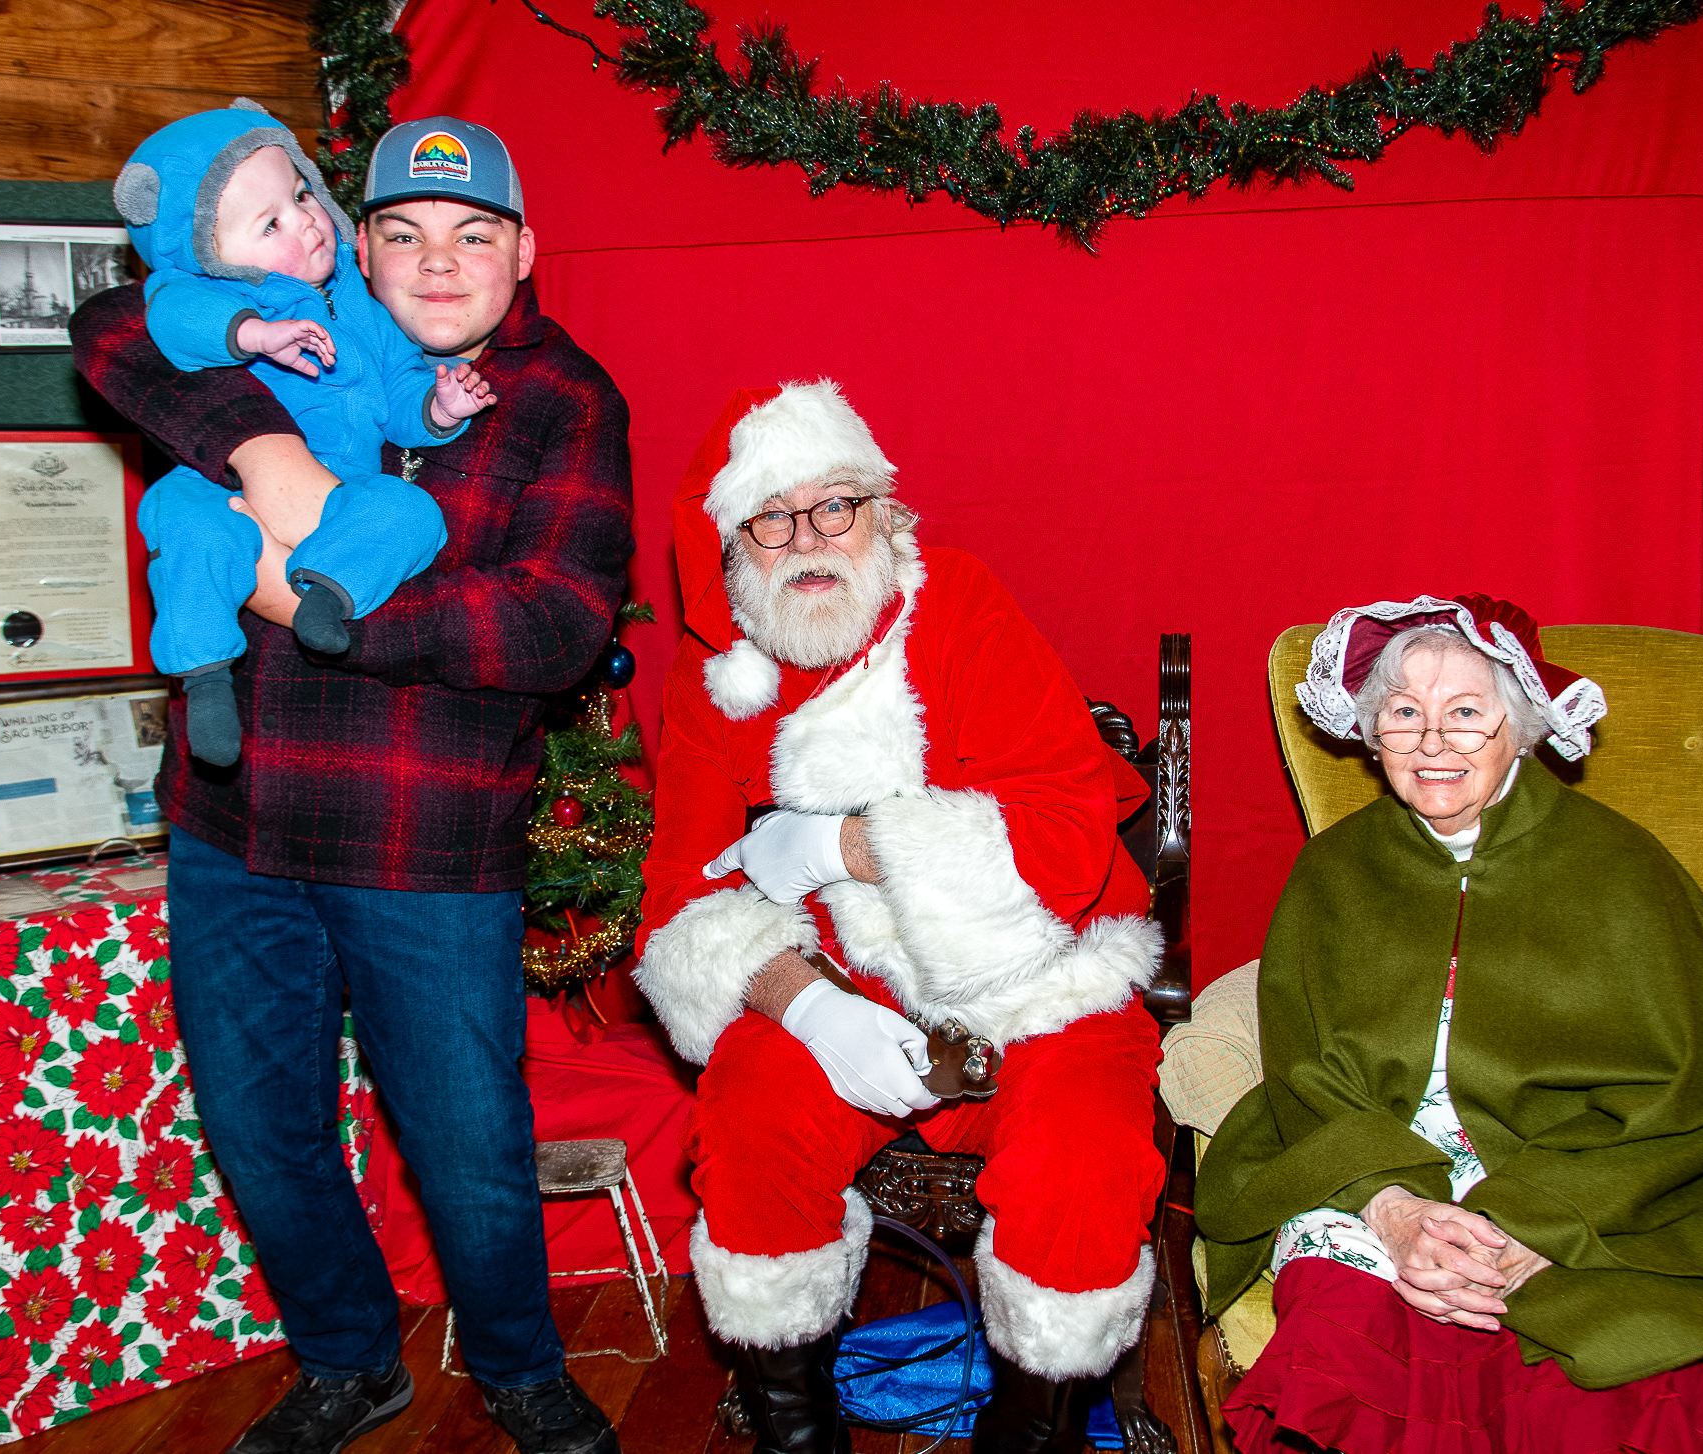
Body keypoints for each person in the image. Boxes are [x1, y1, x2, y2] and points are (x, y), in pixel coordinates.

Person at [70, 114, 633, 1454]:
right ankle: (348, 1358)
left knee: (468, 1149)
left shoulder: (567, 399)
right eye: (403, 234)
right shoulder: (283, 316)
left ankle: (517, 1369)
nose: (438, 266)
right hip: (234, 824)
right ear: (352, 240)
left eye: (472, 235)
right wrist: (269, 452)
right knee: (262, 1131)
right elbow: (106, 325)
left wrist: (304, 601)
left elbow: (553, 623)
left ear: (522, 251)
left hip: (424, 841)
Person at [635, 380, 1167, 1453]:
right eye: (771, 517)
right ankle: (796, 1428)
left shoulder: (960, 602)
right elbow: (678, 901)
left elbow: (1065, 835)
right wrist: (808, 1007)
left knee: (1086, 1157)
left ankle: (1030, 1432)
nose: (808, 539)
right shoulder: (719, 683)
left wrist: (844, 844)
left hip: (1044, 980)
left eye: (833, 505)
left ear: (880, 511)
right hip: (847, 987)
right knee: (746, 1119)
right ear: (732, 544)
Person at [1194, 594, 1703, 1453]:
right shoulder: (1334, 871)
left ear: (1524, 722)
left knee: (1623, 1375)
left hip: (1591, 1182)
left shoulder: (1620, 868)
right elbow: (1304, 1077)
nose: (1432, 742)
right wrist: (1393, 1211)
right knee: (1342, 1343)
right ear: (1370, 730)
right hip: (1380, 1168)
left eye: (1466, 713)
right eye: (1404, 714)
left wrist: (1533, 1224)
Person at [112, 101, 492, 765]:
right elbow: (170, 317)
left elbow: (399, 389)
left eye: (302, 194)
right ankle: (203, 676)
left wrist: (439, 407)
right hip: (217, 483)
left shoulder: (362, 311)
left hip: (334, 494)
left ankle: (329, 597)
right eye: (271, 223)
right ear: (211, 255)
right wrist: (254, 336)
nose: (309, 223)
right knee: (185, 524)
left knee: (410, 512)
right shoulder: (217, 298)